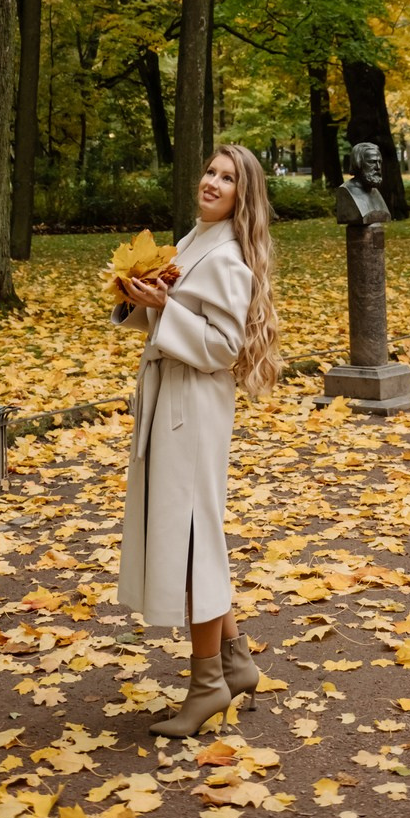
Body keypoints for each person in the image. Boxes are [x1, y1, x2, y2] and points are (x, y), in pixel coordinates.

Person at [112, 144, 281, 737]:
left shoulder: (228, 257)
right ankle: (234, 663)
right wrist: (138, 301)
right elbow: (175, 316)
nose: (212, 182)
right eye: (210, 171)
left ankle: (207, 683)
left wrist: (165, 310)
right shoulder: (193, 241)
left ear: (242, 196)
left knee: (192, 540)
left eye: (227, 178)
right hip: (173, 400)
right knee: (192, 534)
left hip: (193, 407)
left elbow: (224, 347)